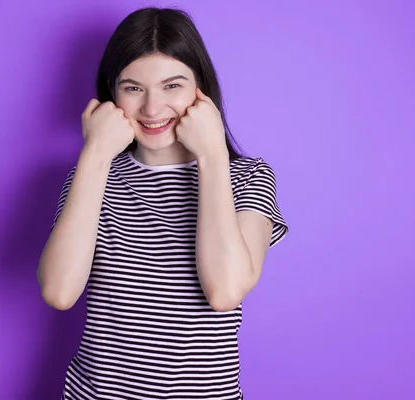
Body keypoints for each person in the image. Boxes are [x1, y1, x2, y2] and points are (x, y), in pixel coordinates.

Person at [37, 7, 288, 400]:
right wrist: (95, 156)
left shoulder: (246, 176)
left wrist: (210, 157)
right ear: (111, 92)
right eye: (133, 88)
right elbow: (59, 291)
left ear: (200, 88)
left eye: (172, 85)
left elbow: (224, 292)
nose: (152, 109)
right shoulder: (90, 177)